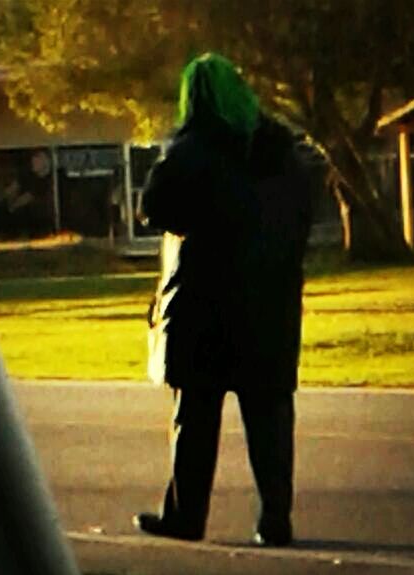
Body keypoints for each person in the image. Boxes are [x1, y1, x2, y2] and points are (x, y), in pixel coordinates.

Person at [134, 52, 312, 547]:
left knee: (194, 419)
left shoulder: (189, 151)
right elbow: (300, 217)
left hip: (202, 309)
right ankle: (275, 518)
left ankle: (186, 516)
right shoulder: (281, 153)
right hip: (270, 309)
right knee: (270, 418)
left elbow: (154, 208)